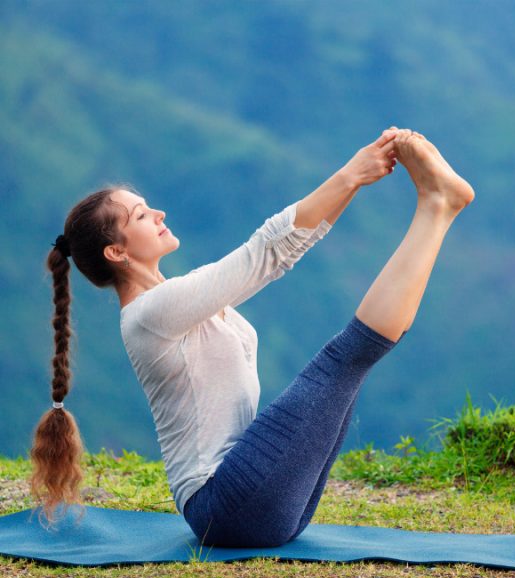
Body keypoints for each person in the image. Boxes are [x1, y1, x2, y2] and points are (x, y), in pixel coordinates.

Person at [31, 128, 474, 546]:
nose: (158, 214)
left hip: (257, 506)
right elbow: (266, 252)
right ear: (117, 252)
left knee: (350, 370)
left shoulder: (178, 299)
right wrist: (352, 173)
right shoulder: (149, 315)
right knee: (347, 358)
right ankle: (436, 207)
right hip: (226, 505)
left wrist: (357, 180)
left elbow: (288, 247)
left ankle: (437, 205)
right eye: (142, 215)